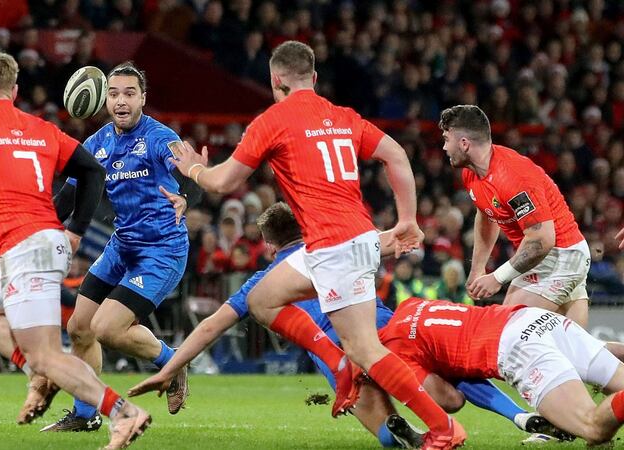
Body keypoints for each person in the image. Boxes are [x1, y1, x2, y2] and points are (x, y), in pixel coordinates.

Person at [168, 40, 462, 448]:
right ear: (314, 78)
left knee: (366, 350)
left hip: (333, 246)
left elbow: (223, 182)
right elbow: (396, 155)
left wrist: (194, 169)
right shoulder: (342, 116)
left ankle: (443, 427)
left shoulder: (273, 120)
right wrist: (407, 219)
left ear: (275, 79)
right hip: (352, 239)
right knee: (262, 299)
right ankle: (339, 367)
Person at [130, 203, 566, 447]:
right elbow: (392, 240)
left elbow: (210, 326)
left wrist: (170, 368)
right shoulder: (338, 247)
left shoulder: (263, 282)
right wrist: (403, 232)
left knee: (384, 424)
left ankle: (406, 435)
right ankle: (519, 416)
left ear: (269, 246)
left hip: (336, 356)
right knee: (449, 382)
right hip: (384, 330)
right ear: (305, 229)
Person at [0, 49, 148, 449]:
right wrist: (77, 230)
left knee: (48, 354)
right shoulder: (39, 127)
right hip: (44, 243)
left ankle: (123, 412)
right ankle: (36, 374)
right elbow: (92, 171)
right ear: (14, 90)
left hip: (27, 249)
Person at [41, 62, 202, 432]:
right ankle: (85, 415)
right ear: (105, 99)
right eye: (113, 94)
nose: (121, 101)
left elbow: (192, 173)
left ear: (143, 98)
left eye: (130, 93)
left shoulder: (159, 137)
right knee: (80, 327)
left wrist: (187, 197)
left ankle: (173, 362)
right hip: (121, 246)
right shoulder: (96, 145)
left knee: (107, 329)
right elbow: (68, 197)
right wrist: (36, 226)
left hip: (161, 250)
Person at [379, 297, 624, 446]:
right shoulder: (410, 305)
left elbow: (450, 400)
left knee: (593, 428)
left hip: (516, 345)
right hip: (537, 318)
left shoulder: (395, 348)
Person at [439, 105, 591, 326]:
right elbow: (487, 214)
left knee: (506, 333)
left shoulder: (512, 177)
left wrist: (497, 278)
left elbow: (542, 240)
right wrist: (478, 268)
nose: (444, 147)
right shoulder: (472, 173)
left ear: (464, 144)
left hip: (558, 255)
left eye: (446, 139)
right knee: (575, 346)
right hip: (553, 255)